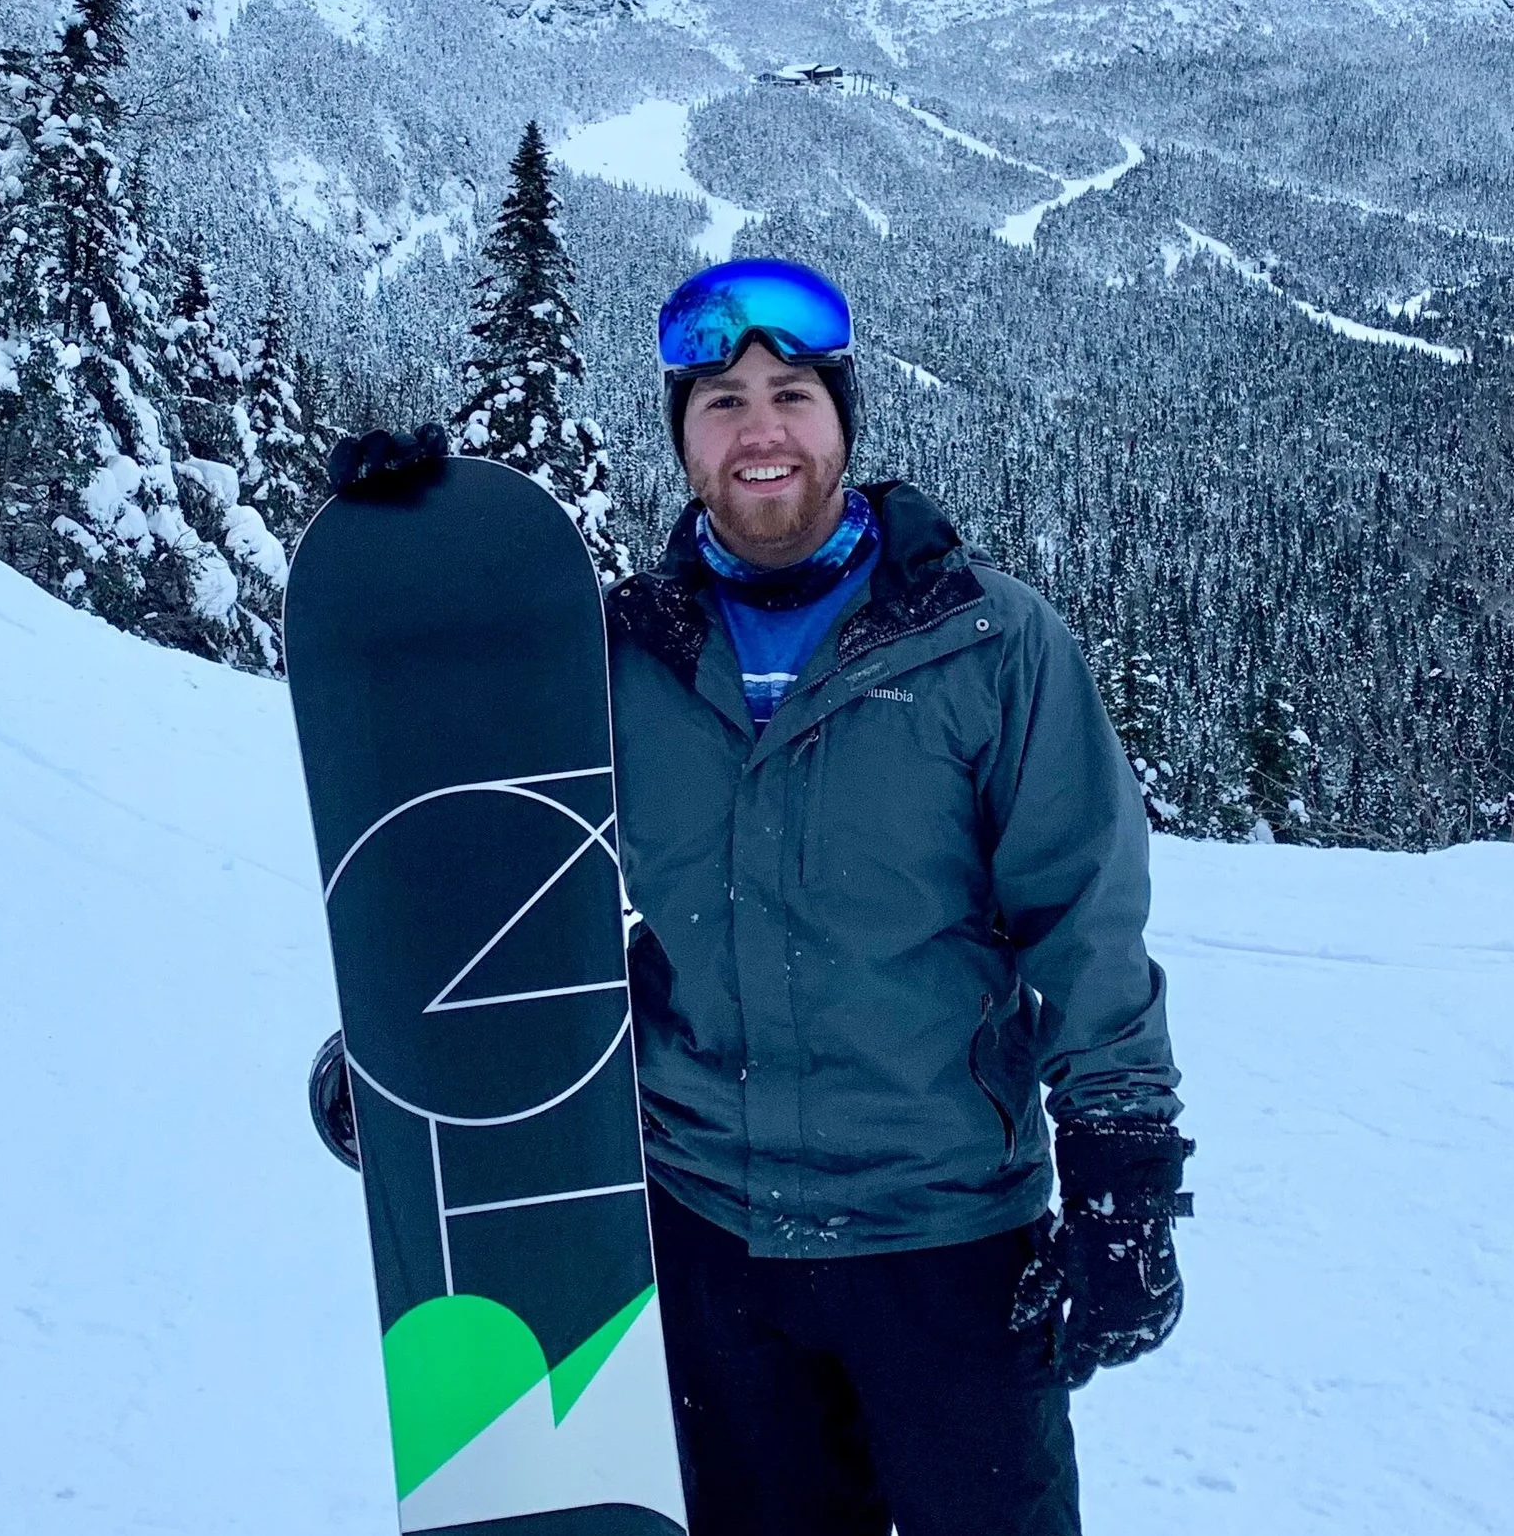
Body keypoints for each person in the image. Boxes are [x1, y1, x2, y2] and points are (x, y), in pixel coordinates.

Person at [321, 257, 1190, 1536]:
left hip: (942, 1234)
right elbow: (494, 855)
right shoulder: (619, 653)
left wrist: (1122, 1173)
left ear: (843, 421)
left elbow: (1087, 922)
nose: (759, 427)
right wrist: (415, 565)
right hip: (709, 1243)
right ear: (683, 440)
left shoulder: (988, 643)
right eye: (720, 401)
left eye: (790, 391)